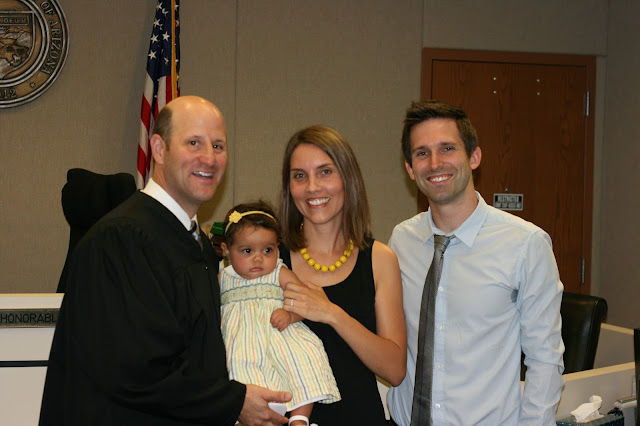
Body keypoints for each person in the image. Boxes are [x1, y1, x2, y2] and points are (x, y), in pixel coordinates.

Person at [40, 96, 291, 426]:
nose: (209, 158)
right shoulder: (123, 239)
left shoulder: (197, 245)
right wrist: (233, 401)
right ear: (158, 149)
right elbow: (134, 369)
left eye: (218, 146)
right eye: (194, 143)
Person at [387, 100, 565, 425]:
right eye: (422, 153)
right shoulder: (401, 241)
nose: (435, 163)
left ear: (474, 157)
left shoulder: (525, 244)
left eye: (447, 148)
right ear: (410, 168)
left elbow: (545, 359)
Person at [278, 125, 407, 426]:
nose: (312, 187)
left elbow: (395, 370)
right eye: (300, 176)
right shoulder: (270, 259)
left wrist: (331, 313)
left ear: (348, 179)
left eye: (325, 172)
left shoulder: (379, 259)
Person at [219, 201, 341, 426]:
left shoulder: (280, 272)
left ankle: (300, 418)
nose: (258, 258)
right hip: (242, 343)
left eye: (268, 250)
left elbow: (306, 303)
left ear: (277, 246)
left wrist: (290, 315)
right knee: (240, 373)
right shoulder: (222, 279)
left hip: (281, 336)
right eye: (247, 251)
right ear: (226, 250)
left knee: (304, 359)